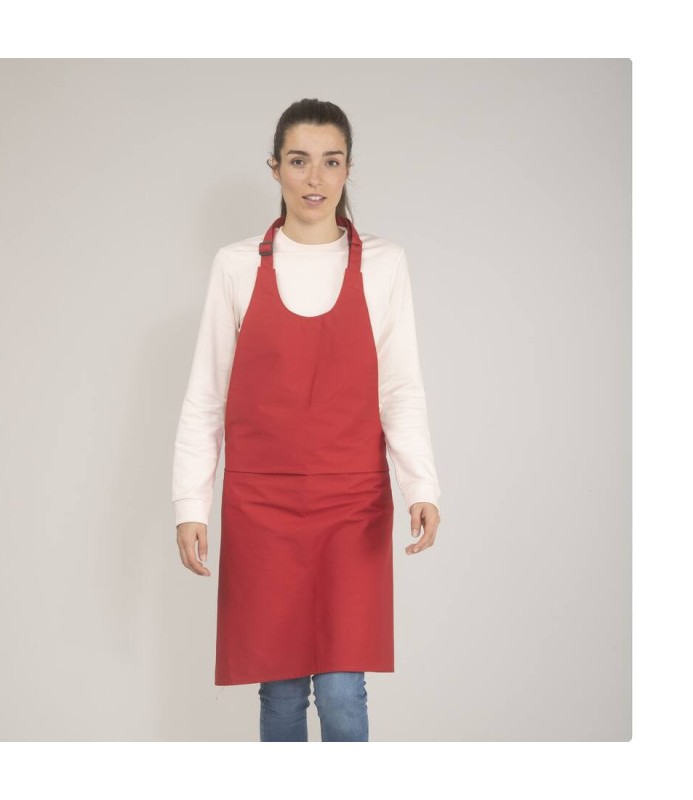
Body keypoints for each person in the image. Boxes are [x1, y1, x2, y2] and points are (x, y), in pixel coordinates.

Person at [173, 98, 441, 742]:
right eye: (299, 161)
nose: (315, 178)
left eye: (331, 162)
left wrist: (421, 486)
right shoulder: (237, 264)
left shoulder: (384, 263)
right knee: (282, 689)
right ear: (275, 168)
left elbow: (399, 388)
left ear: (348, 169)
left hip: (352, 502)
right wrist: (190, 503)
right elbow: (207, 395)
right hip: (262, 504)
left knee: (344, 690)